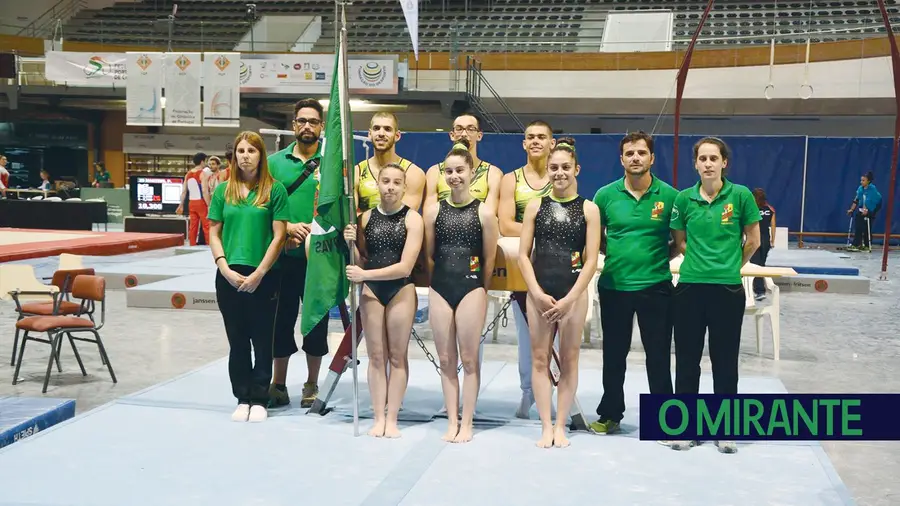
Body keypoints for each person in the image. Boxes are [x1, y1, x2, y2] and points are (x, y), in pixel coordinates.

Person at [668, 137, 761, 454]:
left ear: (724, 163)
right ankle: (685, 428)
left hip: (727, 289)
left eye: (713, 158)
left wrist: (731, 264)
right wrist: (700, 264)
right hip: (690, 289)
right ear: (695, 164)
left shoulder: (741, 195)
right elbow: (680, 242)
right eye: (702, 158)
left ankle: (725, 429)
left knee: (724, 362)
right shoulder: (683, 199)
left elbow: (753, 241)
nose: (707, 163)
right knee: (687, 362)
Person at [590, 131, 678, 435]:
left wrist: (655, 260)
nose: (635, 158)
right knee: (613, 356)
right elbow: (595, 239)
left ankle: (664, 420)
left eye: (641, 153)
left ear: (652, 158)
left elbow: (679, 243)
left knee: (658, 356)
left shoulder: (670, 196)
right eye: (629, 153)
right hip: (615, 286)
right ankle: (611, 414)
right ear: (621, 159)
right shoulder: (605, 195)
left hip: (656, 287)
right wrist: (615, 254)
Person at [517, 137, 600, 448]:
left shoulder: (589, 209)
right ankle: (545, 425)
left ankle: (562, 425)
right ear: (547, 171)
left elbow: (591, 259)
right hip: (540, 290)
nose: (560, 172)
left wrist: (570, 298)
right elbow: (524, 255)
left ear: (576, 169)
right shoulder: (535, 206)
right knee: (539, 358)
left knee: (569, 359)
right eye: (554, 167)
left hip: (573, 293)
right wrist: (536, 293)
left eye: (566, 167)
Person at [207, 131, 290, 423]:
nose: (245, 155)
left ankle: (260, 397)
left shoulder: (275, 190)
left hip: (264, 274)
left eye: (251, 151)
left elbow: (279, 236)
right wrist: (223, 267)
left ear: (260, 155)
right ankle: (242, 396)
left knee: (263, 338)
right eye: (240, 150)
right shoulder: (222, 191)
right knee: (238, 339)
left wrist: (260, 272)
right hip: (229, 273)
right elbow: (214, 232)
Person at [423, 140, 499, 443]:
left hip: (472, 287)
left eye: (460, 171)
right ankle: (451, 420)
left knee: (468, 359)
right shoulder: (432, 211)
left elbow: (489, 258)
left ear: (472, 174)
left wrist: (481, 288)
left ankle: (467, 422)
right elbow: (430, 254)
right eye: (450, 171)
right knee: (444, 359)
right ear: (443, 174)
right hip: (441, 286)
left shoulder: (484, 213)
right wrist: (436, 282)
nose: (455, 176)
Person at [344, 163, 424, 438]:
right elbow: (360, 261)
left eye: (396, 182)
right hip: (372, 291)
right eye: (385, 181)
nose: (390, 186)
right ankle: (378, 416)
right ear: (377, 184)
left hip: (400, 289)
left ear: (404, 187)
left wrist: (365, 274)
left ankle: (392, 418)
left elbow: (405, 267)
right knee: (376, 357)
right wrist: (351, 245)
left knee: (397, 356)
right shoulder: (365, 218)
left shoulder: (413, 219)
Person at [267, 98, 332, 408]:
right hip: (282, 258)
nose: (308, 126)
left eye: (314, 121)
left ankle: (312, 384)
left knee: (316, 322)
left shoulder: (333, 163)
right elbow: (260, 205)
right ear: (294, 125)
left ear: (321, 127)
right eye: (302, 121)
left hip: (319, 259)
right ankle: (278, 384)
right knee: (280, 322)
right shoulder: (274, 163)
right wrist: (287, 226)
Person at [498, 120, 554, 419]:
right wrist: (543, 233)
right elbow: (505, 223)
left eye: (541, 137)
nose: (535, 141)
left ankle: (550, 390)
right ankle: (526, 391)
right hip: (524, 262)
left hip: (554, 263)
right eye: (530, 137)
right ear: (523, 143)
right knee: (526, 334)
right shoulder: (511, 179)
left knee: (554, 336)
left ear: (551, 143)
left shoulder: (561, 174)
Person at [424, 113, 503, 211]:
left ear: (479, 135)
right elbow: (429, 215)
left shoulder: (493, 174)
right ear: (452, 135)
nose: (464, 134)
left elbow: (490, 217)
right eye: (459, 129)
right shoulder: (434, 172)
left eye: (471, 129)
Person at [355, 112, 426, 213]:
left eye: (387, 129)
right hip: (363, 229)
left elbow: (404, 217)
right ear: (370, 134)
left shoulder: (413, 173)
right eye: (376, 128)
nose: (381, 134)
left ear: (397, 135)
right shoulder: (356, 172)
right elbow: (351, 218)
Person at [176, 152, 211, 246]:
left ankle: (192, 246)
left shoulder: (188, 174)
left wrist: (181, 205)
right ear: (202, 162)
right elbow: (204, 191)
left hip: (191, 203)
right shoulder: (202, 174)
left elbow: (184, 191)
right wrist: (209, 205)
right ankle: (209, 246)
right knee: (206, 225)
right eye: (205, 161)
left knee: (193, 226)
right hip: (201, 203)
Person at [846, 171, 882, 252]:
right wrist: (851, 209)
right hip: (863, 207)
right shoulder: (860, 188)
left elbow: (869, 201)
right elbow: (856, 199)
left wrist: (867, 211)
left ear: (868, 181)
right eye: (861, 180)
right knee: (858, 224)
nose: (861, 182)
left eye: (863, 180)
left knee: (867, 226)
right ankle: (856, 244)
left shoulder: (872, 189)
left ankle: (867, 245)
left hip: (874, 206)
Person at [750, 188, 776, 300]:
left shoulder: (752, 209)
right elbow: (773, 226)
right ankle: (759, 290)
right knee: (761, 264)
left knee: (755, 265)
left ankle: (759, 291)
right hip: (766, 239)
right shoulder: (770, 209)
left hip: (755, 238)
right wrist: (772, 240)